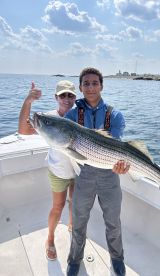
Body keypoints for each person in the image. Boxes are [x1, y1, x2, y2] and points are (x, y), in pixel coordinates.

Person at [65, 67, 130, 276]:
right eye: (86, 83)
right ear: (81, 87)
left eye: (94, 83)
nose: (90, 87)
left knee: (113, 222)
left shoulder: (115, 115)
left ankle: (117, 259)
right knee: (79, 220)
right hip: (84, 176)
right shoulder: (72, 115)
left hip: (110, 175)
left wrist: (123, 164)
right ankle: (74, 260)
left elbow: (117, 147)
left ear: (101, 85)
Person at [18, 80, 77, 261]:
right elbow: (23, 130)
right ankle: (50, 238)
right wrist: (28, 101)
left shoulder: (80, 116)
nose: (66, 99)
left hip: (79, 172)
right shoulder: (48, 118)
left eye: (70, 95)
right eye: (62, 95)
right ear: (56, 97)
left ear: (75, 97)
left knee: (74, 203)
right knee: (57, 207)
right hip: (58, 171)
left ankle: (72, 225)